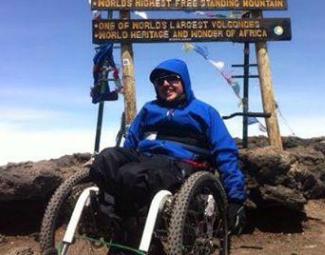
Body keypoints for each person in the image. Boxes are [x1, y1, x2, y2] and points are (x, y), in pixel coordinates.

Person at [90, 58, 246, 253]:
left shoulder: (205, 111)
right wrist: (120, 158)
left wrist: (236, 199)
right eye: (160, 81)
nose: (165, 84)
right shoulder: (149, 109)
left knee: (132, 174)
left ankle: (133, 238)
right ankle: (119, 226)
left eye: (172, 79)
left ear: (184, 82)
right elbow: (131, 141)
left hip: (181, 162)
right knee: (105, 160)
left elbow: (225, 152)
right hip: (144, 157)